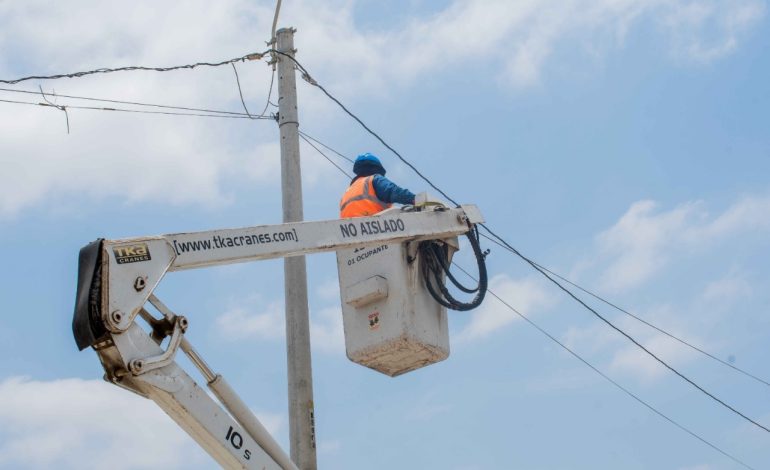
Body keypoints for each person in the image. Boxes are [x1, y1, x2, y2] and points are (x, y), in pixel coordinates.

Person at [339, 153, 416, 218]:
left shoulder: (346, 192)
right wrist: (415, 199)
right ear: (377, 169)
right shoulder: (374, 179)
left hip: (349, 232)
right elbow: (394, 192)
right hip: (373, 226)